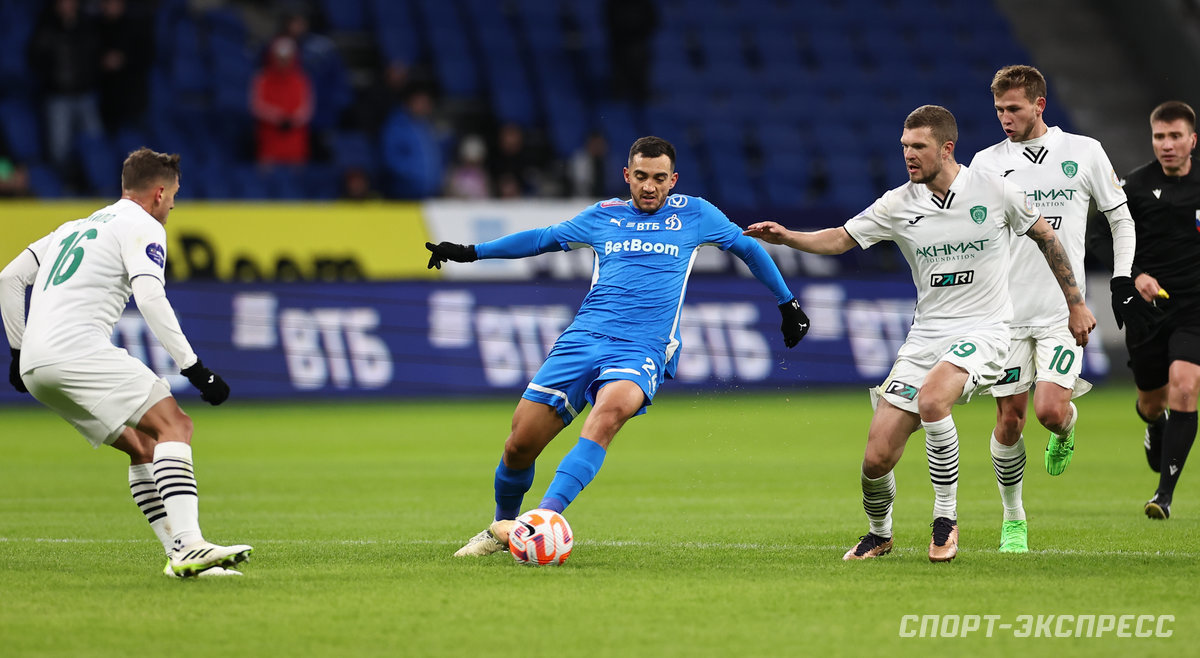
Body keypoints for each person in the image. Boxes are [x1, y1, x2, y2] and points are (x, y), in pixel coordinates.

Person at [426, 136, 811, 557]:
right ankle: (501, 526)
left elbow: (749, 248)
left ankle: (541, 520)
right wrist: (470, 252)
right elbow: (542, 239)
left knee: (608, 415)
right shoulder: (603, 216)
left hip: (641, 348)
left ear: (673, 180)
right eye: (641, 177)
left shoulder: (697, 214)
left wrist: (787, 303)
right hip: (583, 339)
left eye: (659, 179)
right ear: (627, 175)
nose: (649, 187)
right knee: (519, 446)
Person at [744, 105, 1094, 562]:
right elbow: (839, 239)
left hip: (986, 330)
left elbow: (1047, 237)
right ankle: (880, 533)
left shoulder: (995, 190)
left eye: (918, 147)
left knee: (934, 400)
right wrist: (788, 237)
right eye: (904, 147)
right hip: (926, 336)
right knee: (876, 459)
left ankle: (945, 519)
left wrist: (1075, 304)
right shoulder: (898, 202)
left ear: (947, 148)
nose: (908, 155)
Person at [0, 148, 252, 577]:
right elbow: (151, 296)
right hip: (76, 350)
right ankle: (191, 545)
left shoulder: (74, 227)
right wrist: (193, 367)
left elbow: (9, 278)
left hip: (37, 365)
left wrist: (19, 351)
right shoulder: (143, 225)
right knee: (176, 425)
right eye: (173, 195)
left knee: (143, 447)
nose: (173, 204)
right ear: (158, 193)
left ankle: (180, 556)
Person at [967, 65, 1140, 552]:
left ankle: (1067, 427)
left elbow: (1121, 219)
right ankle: (1014, 519)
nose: (1005, 117)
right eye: (999, 109)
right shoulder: (985, 163)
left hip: (1065, 312)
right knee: (1009, 421)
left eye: (1014, 108)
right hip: (1005, 315)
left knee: (1049, 411)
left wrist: (1121, 277)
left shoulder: (1083, 152)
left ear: (1039, 105)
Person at [1111, 100, 1200, 520]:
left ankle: (1163, 495)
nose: (1166, 144)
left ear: (1192, 140)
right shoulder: (1134, 187)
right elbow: (1107, 239)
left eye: (1175, 136)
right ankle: (1154, 425)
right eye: (1159, 137)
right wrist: (1138, 274)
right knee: (1151, 401)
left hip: (1194, 309)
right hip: (1148, 310)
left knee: (1185, 385)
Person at [250, 36, 314, 165]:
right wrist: (278, 118)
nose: (283, 62)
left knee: (296, 177)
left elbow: (306, 109)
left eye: (287, 59)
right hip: (270, 137)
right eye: (280, 58)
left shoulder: (301, 80)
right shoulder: (262, 78)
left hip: (295, 138)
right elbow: (257, 105)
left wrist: (292, 120)